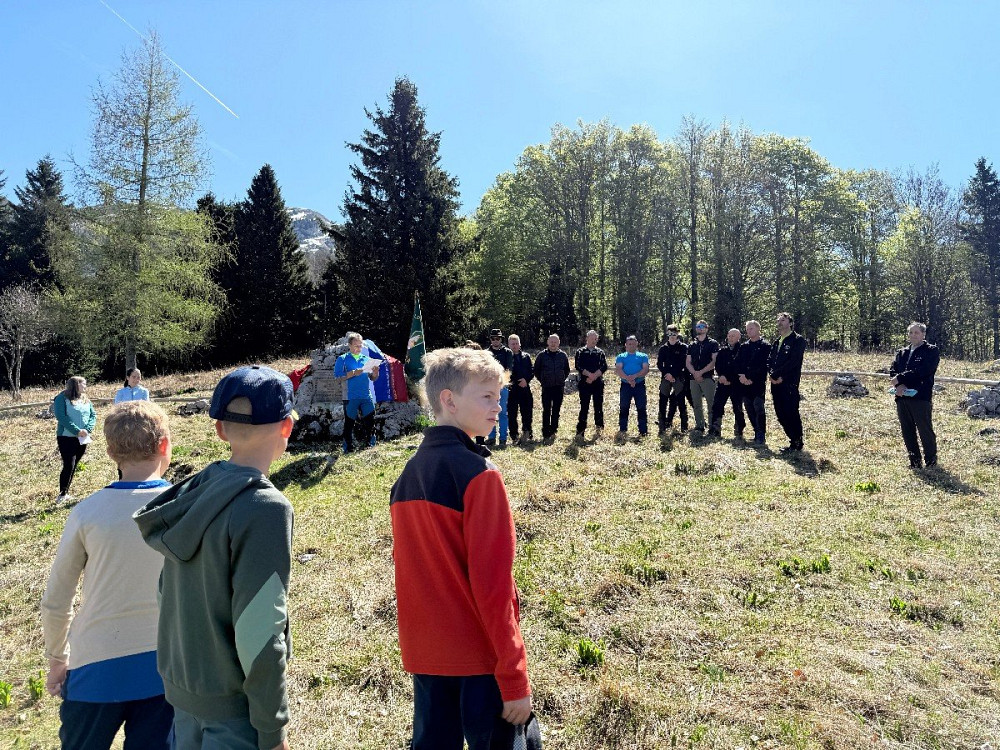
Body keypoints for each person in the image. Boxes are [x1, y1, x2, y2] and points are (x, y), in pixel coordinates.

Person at [133, 365, 295, 750]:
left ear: (219, 429)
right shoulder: (266, 508)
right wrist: (272, 730)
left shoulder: (194, 491)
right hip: (234, 715)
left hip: (183, 696)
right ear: (286, 427)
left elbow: (164, 593)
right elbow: (260, 629)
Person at [390, 347, 535, 749]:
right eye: (486, 396)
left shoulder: (408, 474)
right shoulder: (480, 476)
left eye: (499, 394)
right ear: (448, 400)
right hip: (479, 659)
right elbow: (493, 587)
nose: (498, 404)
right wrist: (513, 675)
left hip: (427, 655)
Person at [42, 401, 174, 750]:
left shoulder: (87, 513)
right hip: (167, 669)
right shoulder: (185, 508)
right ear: (164, 445)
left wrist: (57, 658)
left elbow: (56, 600)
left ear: (111, 452)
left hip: (94, 668)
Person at [889, 322, 940, 468]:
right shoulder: (902, 352)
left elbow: (923, 371)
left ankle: (931, 462)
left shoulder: (931, 351)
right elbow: (893, 371)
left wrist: (901, 378)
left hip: (920, 397)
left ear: (923, 334)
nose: (913, 335)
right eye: (911, 333)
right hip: (901, 396)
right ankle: (914, 461)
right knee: (907, 430)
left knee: (925, 430)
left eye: (916, 332)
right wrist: (899, 385)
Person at [334, 331, 382, 453]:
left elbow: (372, 378)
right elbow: (337, 378)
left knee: (370, 422)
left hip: (366, 396)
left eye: (360, 345)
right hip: (350, 397)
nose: (359, 348)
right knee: (349, 423)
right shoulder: (342, 359)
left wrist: (375, 374)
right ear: (349, 345)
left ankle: (370, 447)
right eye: (356, 345)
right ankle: (348, 449)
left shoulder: (366, 359)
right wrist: (353, 373)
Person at [53, 376, 97, 503]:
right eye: (83, 384)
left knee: (75, 464)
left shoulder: (85, 399)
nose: (85, 386)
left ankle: (66, 492)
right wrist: (77, 431)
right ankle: (61, 494)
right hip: (66, 437)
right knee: (69, 464)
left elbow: (93, 415)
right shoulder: (61, 398)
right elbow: (61, 417)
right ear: (76, 385)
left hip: (82, 438)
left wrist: (87, 429)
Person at [767, 312, 807, 452]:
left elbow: (793, 361)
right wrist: (771, 375)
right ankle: (792, 440)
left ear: (790, 323)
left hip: (789, 382)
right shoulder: (777, 341)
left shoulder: (798, 340)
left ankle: (798, 441)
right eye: (778, 320)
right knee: (780, 413)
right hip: (775, 382)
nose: (780, 322)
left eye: (783, 320)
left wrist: (780, 375)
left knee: (791, 412)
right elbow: (770, 361)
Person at [711, 328, 747, 439]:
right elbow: (718, 365)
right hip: (722, 383)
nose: (731, 338)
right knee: (717, 405)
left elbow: (741, 367)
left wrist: (730, 379)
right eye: (729, 335)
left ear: (738, 337)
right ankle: (715, 429)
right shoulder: (722, 350)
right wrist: (721, 376)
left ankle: (739, 430)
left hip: (736, 384)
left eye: (733, 336)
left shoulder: (742, 350)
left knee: (737, 407)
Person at [533, 334, 570, 440]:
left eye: (555, 342)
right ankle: (545, 432)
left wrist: (561, 379)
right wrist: (543, 380)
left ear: (558, 343)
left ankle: (553, 430)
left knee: (556, 410)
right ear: (548, 342)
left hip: (559, 387)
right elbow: (536, 370)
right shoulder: (541, 355)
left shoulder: (563, 355)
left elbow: (566, 370)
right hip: (547, 387)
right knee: (546, 410)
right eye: (551, 342)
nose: (553, 344)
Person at [685, 320, 719, 433]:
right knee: (696, 404)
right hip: (693, 378)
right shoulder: (692, 345)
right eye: (698, 326)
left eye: (702, 326)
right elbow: (688, 362)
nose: (700, 328)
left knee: (711, 403)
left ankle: (712, 427)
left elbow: (714, 361)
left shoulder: (713, 343)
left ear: (706, 328)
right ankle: (699, 426)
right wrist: (695, 373)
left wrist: (701, 372)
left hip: (707, 377)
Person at [574, 329, 608, 436]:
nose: (594, 341)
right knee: (584, 407)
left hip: (597, 383)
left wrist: (594, 376)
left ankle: (599, 429)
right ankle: (580, 431)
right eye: (592, 338)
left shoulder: (600, 352)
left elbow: (604, 366)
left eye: (596, 339)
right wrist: (589, 375)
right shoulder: (580, 352)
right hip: (585, 383)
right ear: (587, 338)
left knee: (598, 406)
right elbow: (578, 366)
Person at [656, 325, 689, 435]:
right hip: (666, 377)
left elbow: (683, 363)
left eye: (674, 334)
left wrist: (673, 375)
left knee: (680, 401)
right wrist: (667, 374)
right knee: (662, 400)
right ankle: (662, 426)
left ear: (678, 334)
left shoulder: (684, 347)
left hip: (678, 377)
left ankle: (684, 426)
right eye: (670, 334)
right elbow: (659, 364)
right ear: (667, 334)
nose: (672, 336)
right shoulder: (663, 348)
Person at [615, 335, 650, 436]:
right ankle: (623, 430)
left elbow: (645, 369)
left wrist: (634, 376)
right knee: (624, 407)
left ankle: (643, 431)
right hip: (625, 385)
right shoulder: (621, 357)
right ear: (626, 345)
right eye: (629, 344)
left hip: (639, 385)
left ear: (637, 344)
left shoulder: (643, 356)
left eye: (633, 344)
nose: (631, 346)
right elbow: (619, 369)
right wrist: (628, 379)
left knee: (641, 407)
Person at [486, 328, 514, 447]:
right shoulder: (486, 353)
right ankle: (491, 437)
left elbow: (509, 369)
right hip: (488, 387)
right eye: (493, 338)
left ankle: (503, 438)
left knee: (502, 412)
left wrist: (501, 381)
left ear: (501, 339)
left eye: (497, 338)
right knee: (489, 412)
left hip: (502, 386)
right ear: (491, 340)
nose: (495, 341)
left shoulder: (507, 352)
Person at [507, 334, 534, 443]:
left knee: (527, 412)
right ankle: (514, 436)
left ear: (520, 344)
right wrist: (517, 381)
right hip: (512, 389)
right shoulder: (507, 357)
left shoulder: (526, 356)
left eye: (516, 343)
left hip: (525, 389)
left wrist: (526, 380)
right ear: (509, 345)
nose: (514, 346)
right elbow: (506, 372)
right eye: (512, 344)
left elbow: (531, 371)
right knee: (512, 414)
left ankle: (527, 432)